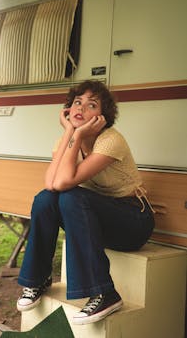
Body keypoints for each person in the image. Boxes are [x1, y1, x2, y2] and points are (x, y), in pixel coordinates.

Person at [16, 80, 155, 325]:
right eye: (77, 102)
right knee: (45, 199)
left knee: (71, 196)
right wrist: (72, 133)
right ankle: (37, 280)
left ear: (103, 116)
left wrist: (77, 133)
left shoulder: (111, 140)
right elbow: (51, 184)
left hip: (134, 222)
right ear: (68, 109)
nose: (81, 108)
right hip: (101, 220)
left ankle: (104, 293)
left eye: (92, 105)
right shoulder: (66, 141)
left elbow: (65, 181)